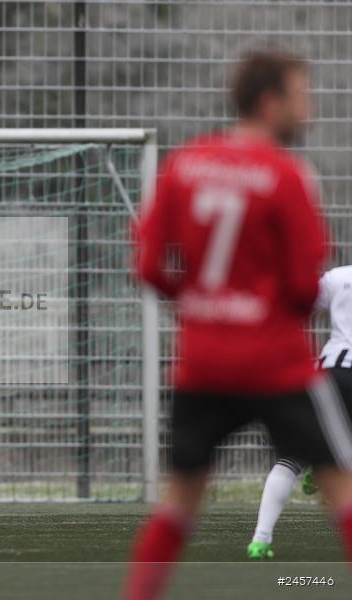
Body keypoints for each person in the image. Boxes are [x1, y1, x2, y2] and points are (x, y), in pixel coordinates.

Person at [125, 51, 352, 600]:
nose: (310, 109)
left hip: (203, 361)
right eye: (302, 96)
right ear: (271, 101)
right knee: (341, 488)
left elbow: (149, 265)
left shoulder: (185, 164)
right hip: (276, 365)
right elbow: (303, 286)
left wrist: (203, 306)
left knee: (179, 499)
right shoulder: (288, 175)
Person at [247, 265, 352, 559]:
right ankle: (324, 465)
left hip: (330, 372)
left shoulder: (340, 277)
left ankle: (260, 539)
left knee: (290, 458)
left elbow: (298, 307)